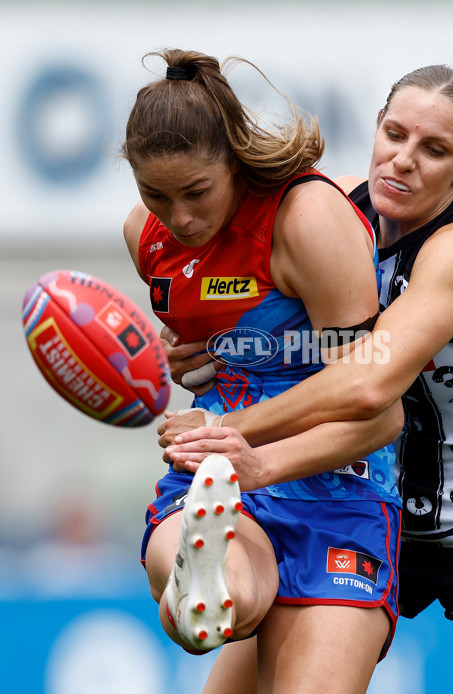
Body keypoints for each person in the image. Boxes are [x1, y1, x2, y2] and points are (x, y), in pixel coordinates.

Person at [161, 65, 453, 693]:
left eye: (434, 149)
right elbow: (251, 300)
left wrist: (228, 432)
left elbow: (368, 383)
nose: (404, 160)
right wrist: (206, 343)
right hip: (360, 499)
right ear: (377, 129)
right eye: (395, 134)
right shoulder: (335, 210)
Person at [121, 48, 403, 694]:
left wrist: (255, 454)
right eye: (154, 194)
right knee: (216, 589)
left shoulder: (305, 220)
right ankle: (210, 584)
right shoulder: (146, 236)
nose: (179, 218)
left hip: (338, 491)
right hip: (219, 482)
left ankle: (213, 582)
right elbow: (220, 333)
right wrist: (178, 358)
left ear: (233, 161)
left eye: (196, 192)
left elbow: (379, 408)